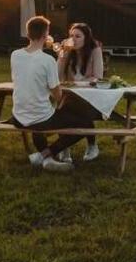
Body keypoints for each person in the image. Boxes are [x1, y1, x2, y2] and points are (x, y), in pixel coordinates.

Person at [10, 16, 92, 173]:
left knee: (42, 111)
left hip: (18, 117)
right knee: (84, 122)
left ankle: (47, 159)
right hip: (39, 119)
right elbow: (57, 94)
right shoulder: (47, 60)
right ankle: (46, 154)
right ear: (45, 35)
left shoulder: (15, 55)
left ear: (28, 34)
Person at [56, 22, 127, 162]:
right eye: (71, 36)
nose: (73, 39)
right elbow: (57, 76)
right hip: (70, 94)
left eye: (78, 36)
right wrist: (62, 54)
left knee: (79, 109)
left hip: (90, 96)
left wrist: (78, 84)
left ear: (86, 38)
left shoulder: (95, 50)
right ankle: (65, 149)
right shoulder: (68, 51)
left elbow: (98, 77)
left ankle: (91, 145)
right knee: (62, 111)